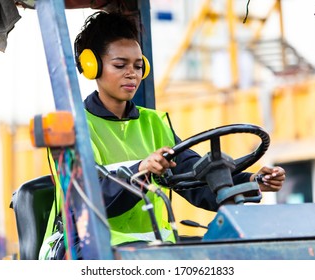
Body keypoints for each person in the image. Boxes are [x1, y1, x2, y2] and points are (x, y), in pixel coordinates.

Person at [41, 10, 285, 258]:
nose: (132, 73)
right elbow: (89, 200)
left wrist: (252, 182)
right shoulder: (72, 128)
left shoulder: (154, 123)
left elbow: (193, 177)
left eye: (138, 66)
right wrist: (141, 170)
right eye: (120, 65)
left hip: (155, 250)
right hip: (89, 250)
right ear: (92, 66)